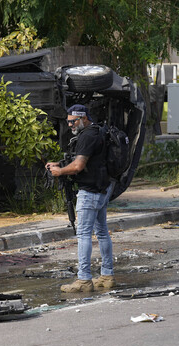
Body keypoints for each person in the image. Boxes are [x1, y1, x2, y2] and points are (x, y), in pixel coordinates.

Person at [45, 104, 115, 292]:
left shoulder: (87, 136)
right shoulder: (99, 131)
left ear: (83, 118)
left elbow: (78, 166)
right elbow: (89, 159)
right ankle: (107, 276)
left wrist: (60, 171)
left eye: (72, 121)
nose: (69, 125)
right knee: (102, 233)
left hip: (90, 191)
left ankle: (84, 280)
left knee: (84, 234)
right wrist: (60, 163)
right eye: (68, 121)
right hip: (103, 188)